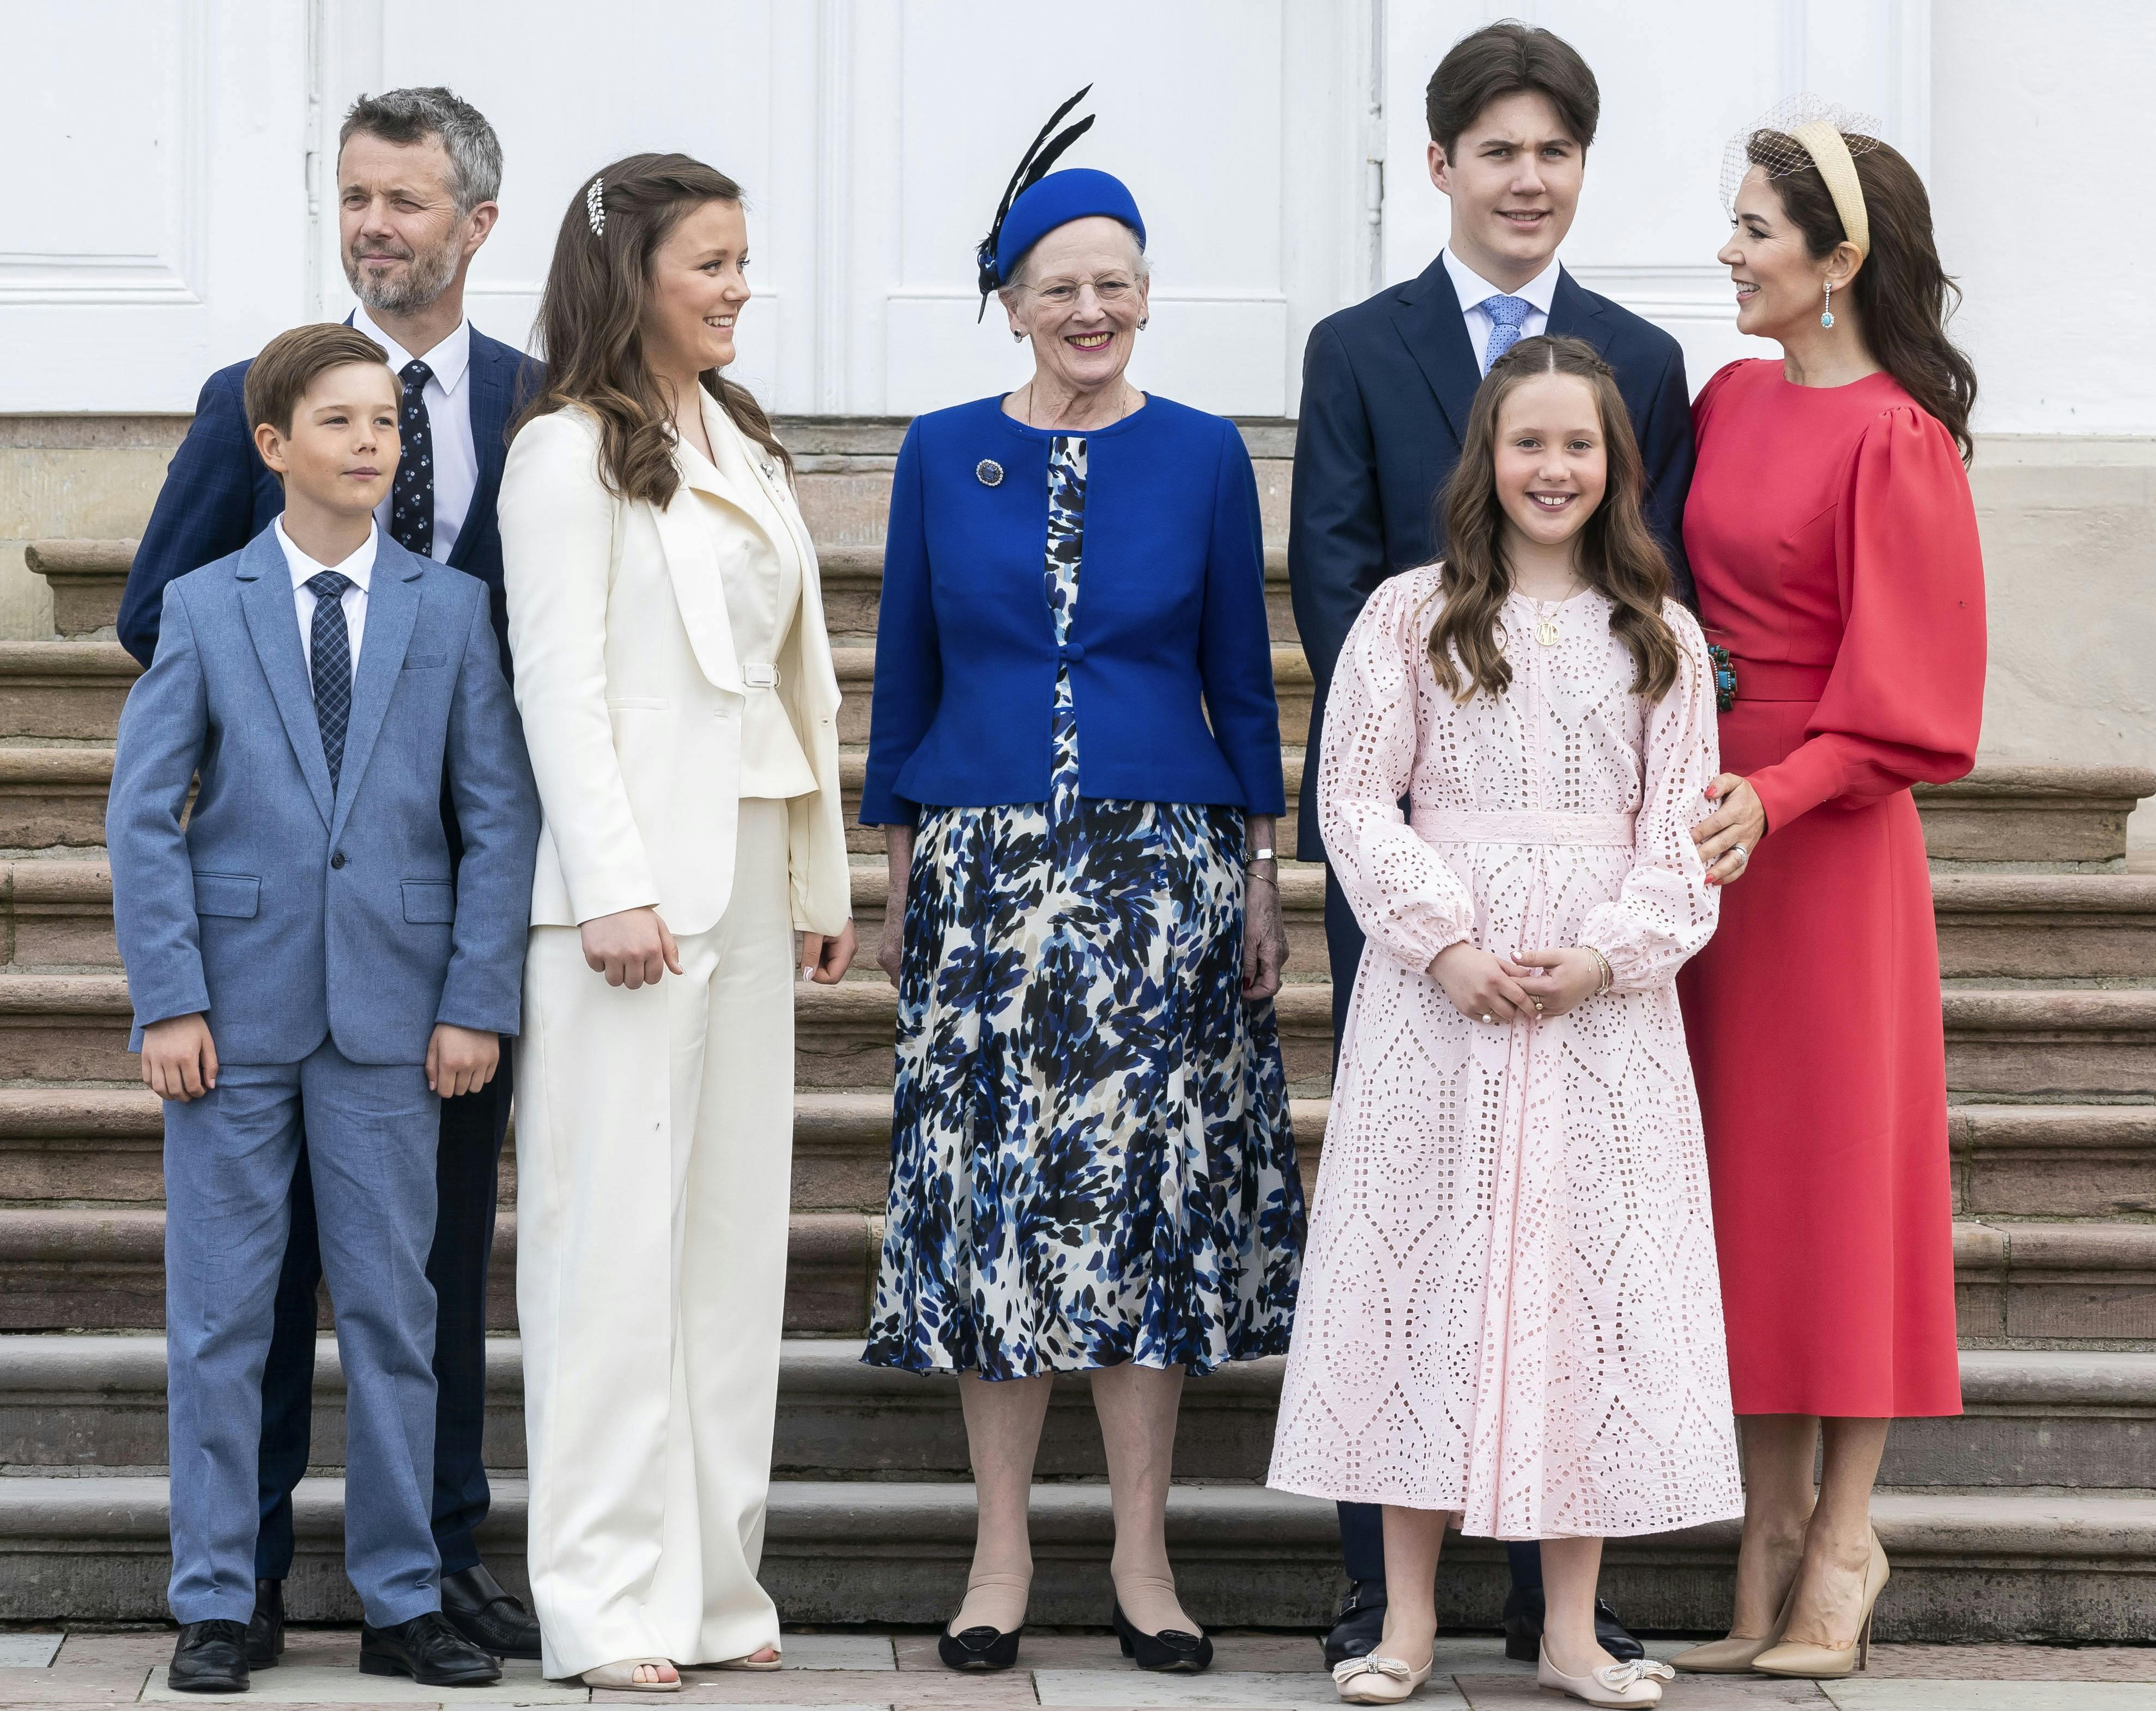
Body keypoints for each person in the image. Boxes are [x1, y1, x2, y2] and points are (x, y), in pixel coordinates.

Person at [859, 95, 1301, 1678]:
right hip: (978, 874)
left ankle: (1143, 1553)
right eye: (1061, 285)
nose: (1092, 310)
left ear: (1149, 291)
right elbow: (902, 670)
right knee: (993, 1219)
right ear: (1009, 297)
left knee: (1143, 1218)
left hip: (1156, 876)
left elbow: (1241, 684)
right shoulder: (939, 451)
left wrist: (1264, 874)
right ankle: (996, 1554)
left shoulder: (1200, 456)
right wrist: (895, 870)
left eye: (1118, 280)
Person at [116, 86, 544, 1666]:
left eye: (406, 200)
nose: (376, 223)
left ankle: (412, 1582)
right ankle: (226, 1592)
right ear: (281, 442)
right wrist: (171, 981)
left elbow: (499, 796)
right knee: (232, 1312)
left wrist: (476, 984)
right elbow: (151, 725)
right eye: (354, 195)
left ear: (472, 222)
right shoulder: (246, 450)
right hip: (238, 988)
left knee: (406, 1307)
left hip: (407, 987)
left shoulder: (534, 421)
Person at [1288, 19, 1693, 1667]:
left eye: (1556, 151)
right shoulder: (1358, 344)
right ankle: (1379, 1594)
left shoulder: (1643, 357)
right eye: (1499, 149)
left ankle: (1559, 1604)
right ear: (1442, 162)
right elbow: (1330, 577)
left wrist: (1608, 916)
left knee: (1570, 1254)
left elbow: (1674, 614)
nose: (1529, 177)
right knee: (1416, 1234)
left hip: (1592, 919)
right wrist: (1432, 901)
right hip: (1424, 865)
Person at [499, 152, 854, 1694]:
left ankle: (713, 1584)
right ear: (633, 270)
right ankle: (601, 1599)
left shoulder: (745, 438)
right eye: (711, 261)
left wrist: (818, 874)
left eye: (742, 259)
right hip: (625, 909)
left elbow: (795, 675)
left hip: (750, 875)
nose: (738, 286)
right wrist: (612, 883)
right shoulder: (561, 451)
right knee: (607, 1255)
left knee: (725, 1258)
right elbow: (558, 684)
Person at [1669, 102, 1985, 1682]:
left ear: (1839, 262)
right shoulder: (1727, 399)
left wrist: (1774, 794)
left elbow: (1923, 705)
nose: (1726, 252)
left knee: (1843, 1192)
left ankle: (1845, 1539)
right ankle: (1765, 1528)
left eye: (1754, 232)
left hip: (1827, 844)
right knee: (1743, 1193)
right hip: (1705, 834)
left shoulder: (1897, 439)